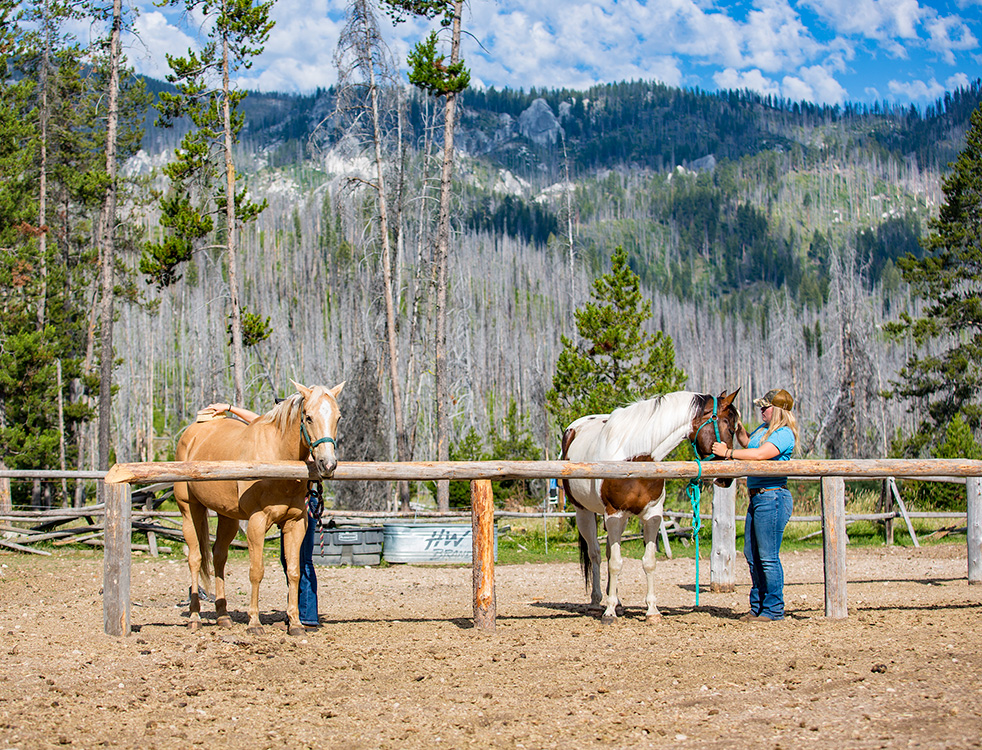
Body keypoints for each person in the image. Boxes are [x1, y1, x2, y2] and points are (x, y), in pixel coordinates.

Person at [204, 402, 320, 628]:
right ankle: (295, 612)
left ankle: (306, 615)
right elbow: (257, 420)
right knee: (292, 561)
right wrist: (230, 408)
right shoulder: (284, 434)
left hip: (303, 499)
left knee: (302, 561)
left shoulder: (312, 440)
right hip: (290, 499)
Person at [711, 388, 798, 622]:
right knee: (752, 554)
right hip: (759, 497)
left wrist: (728, 453)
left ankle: (773, 608)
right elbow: (750, 444)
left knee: (768, 557)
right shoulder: (763, 430)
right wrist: (738, 427)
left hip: (772, 497)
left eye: (765, 407)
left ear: (777, 410)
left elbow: (760, 454)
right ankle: (758, 606)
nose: (761, 410)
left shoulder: (783, 433)